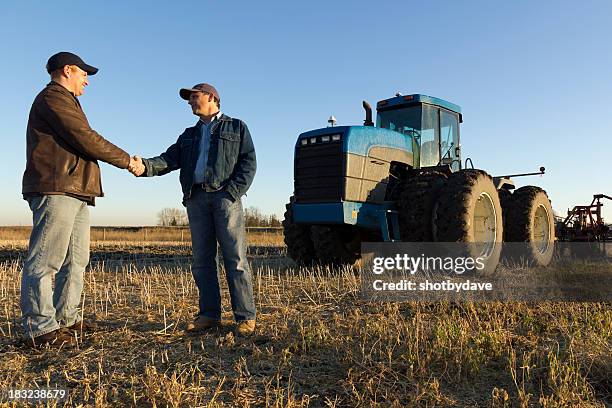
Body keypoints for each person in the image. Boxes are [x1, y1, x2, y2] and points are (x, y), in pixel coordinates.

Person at [21, 51, 140, 347]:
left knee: (75, 260)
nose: (87, 79)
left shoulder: (67, 101)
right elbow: (85, 136)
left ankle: (67, 320)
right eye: (84, 73)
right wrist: (127, 161)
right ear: (67, 70)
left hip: (76, 189)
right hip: (57, 187)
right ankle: (41, 329)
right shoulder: (53, 98)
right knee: (46, 260)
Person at [130, 83, 257, 336]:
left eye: (194, 97)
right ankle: (209, 315)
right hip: (196, 198)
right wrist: (144, 166)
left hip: (225, 198)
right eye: (188, 98)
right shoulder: (188, 134)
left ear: (212, 97)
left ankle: (245, 317)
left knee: (236, 258)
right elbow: (168, 159)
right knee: (202, 261)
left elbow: (249, 162)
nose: (189, 101)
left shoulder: (237, 127)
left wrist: (232, 193)